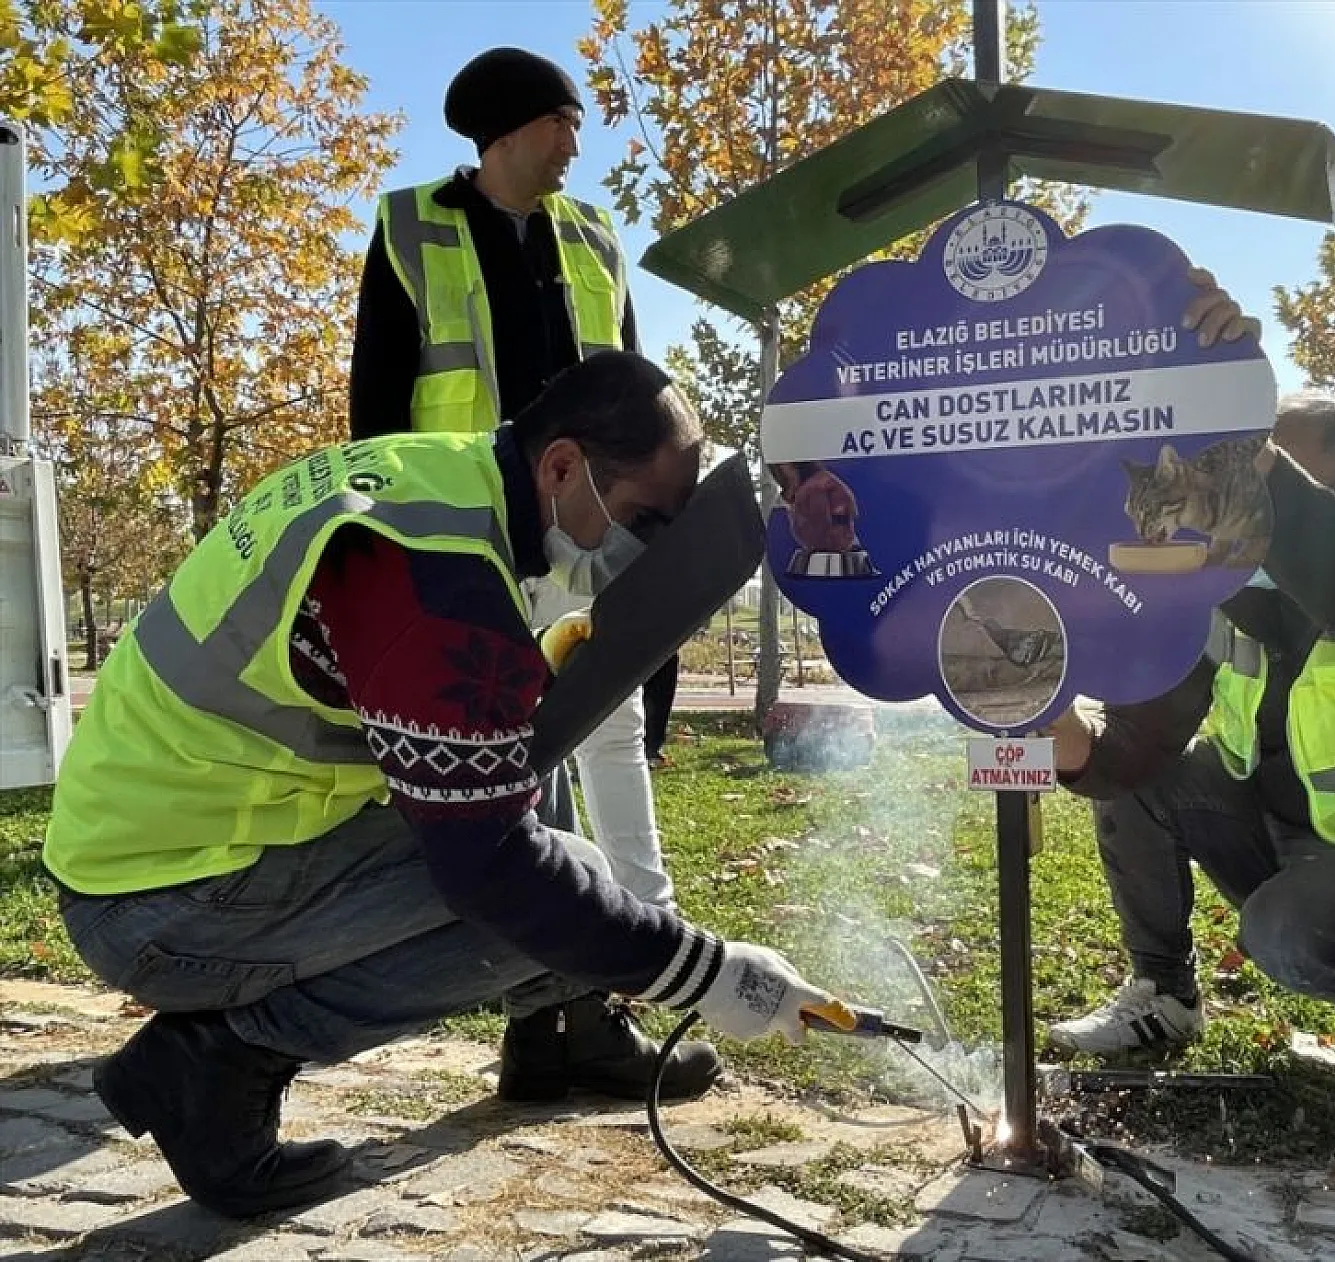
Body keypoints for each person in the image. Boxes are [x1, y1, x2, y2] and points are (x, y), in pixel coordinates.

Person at [42, 353, 834, 1219]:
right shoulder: (436, 573)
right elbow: (491, 866)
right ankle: (220, 1059)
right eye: (644, 518)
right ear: (563, 466)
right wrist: (706, 973)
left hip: (165, 841)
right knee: (543, 901)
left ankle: (559, 1039)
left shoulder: (442, 483)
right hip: (158, 901)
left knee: (552, 873)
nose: (643, 549)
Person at [347, 44, 717, 1099]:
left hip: (589, 531)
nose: (574, 144)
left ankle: (620, 979)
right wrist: (394, 544)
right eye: (561, 122)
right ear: (507, 130)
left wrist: (654, 530)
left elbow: (643, 395)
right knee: (522, 766)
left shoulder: (592, 233)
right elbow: (376, 400)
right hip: (470, 536)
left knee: (610, 736)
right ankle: (555, 1019)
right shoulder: (409, 227)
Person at [1047, 384, 1335, 1074]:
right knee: (1150, 786)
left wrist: (1238, 431)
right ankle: (1164, 994)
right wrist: (1055, 721)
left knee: (1289, 935)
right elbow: (1134, 749)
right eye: (1231, 492)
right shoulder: (1227, 581)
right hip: (1287, 847)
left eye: (1263, 493)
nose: (1238, 524)